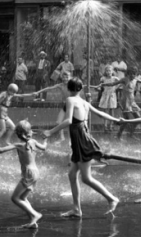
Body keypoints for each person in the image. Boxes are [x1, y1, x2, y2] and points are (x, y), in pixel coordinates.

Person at [42, 77, 120, 218]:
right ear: (80, 89)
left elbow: (68, 120)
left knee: (86, 178)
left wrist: (50, 132)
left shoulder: (70, 100)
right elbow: (100, 113)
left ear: (68, 89)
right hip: (80, 138)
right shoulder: (83, 102)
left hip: (81, 139)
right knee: (72, 175)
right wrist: (115, 119)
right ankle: (77, 210)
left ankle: (111, 198)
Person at [0, 120, 47, 228]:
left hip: (28, 173)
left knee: (15, 198)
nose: (32, 131)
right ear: (28, 133)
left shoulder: (19, 144)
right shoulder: (33, 142)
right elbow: (44, 147)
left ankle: (35, 214)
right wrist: (46, 139)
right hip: (35, 172)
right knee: (22, 197)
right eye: (31, 129)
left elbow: (2, 150)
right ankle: (32, 222)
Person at [100, 67, 141, 140]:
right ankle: (119, 135)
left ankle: (130, 133)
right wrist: (104, 84)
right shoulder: (125, 79)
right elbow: (113, 83)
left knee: (138, 119)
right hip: (125, 101)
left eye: (134, 74)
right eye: (131, 74)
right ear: (128, 74)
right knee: (126, 119)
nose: (133, 76)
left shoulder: (135, 79)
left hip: (132, 101)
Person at [34, 71, 71, 143]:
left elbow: (82, 86)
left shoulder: (72, 84)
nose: (65, 78)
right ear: (62, 78)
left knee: (70, 123)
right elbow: (49, 88)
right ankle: (62, 138)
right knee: (58, 122)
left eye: (67, 77)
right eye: (64, 77)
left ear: (70, 77)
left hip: (72, 106)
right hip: (65, 106)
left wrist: (96, 87)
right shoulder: (60, 85)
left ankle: (71, 139)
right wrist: (38, 92)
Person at [98, 65, 119, 133]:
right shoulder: (103, 78)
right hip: (105, 95)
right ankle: (105, 125)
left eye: (109, 70)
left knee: (112, 110)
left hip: (112, 95)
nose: (108, 72)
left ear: (112, 71)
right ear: (105, 71)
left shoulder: (115, 78)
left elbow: (120, 83)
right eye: (107, 70)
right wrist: (99, 88)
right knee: (106, 110)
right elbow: (100, 86)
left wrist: (116, 88)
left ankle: (111, 125)